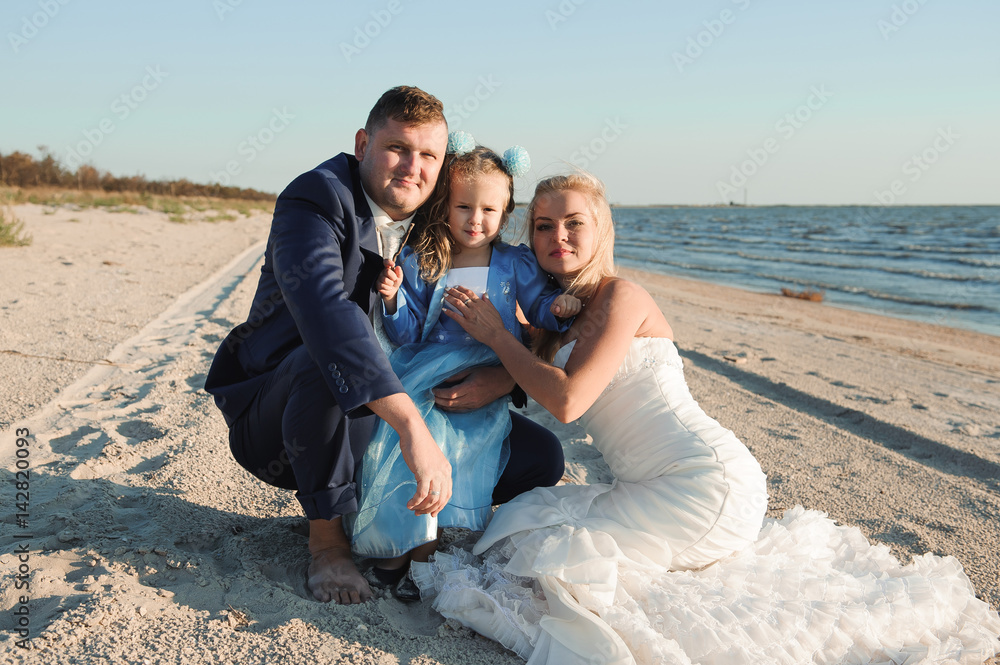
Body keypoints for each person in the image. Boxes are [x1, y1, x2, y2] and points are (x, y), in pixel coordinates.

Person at [412, 173, 1000, 664]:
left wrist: (496, 334)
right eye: (543, 225)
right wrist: (494, 370)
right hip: (645, 483)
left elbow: (566, 400)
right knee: (527, 521)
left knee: (546, 556)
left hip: (705, 481)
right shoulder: (560, 316)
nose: (557, 236)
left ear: (601, 229)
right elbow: (534, 370)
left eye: (573, 223)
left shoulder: (623, 297)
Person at [203, 86, 564, 606]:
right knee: (323, 360)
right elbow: (327, 315)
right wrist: (412, 427)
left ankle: (410, 517)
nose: (412, 167)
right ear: (362, 143)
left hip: (394, 405)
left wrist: (504, 377)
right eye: (397, 147)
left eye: (429, 156)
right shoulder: (315, 199)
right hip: (285, 417)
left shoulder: (439, 220)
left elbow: (522, 307)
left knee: (540, 456)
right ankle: (327, 542)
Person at [347, 139, 580, 597]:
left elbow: (539, 306)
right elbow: (408, 333)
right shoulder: (424, 259)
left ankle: (428, 550)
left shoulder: (514, 263)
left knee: (465, 454)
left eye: (489, 210)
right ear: (445, 206)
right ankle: (395, 547)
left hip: (485, 372)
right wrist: (393, 298)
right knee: (401, 450)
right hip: (426, 369)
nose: (476, 220)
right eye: (464, 207)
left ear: (507, 211)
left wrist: (560, 306)